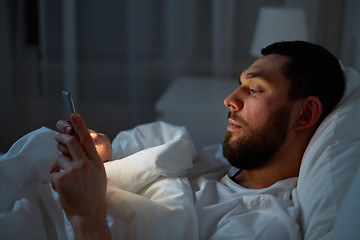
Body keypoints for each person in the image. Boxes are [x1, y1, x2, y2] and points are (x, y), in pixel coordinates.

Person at [50, 41, 345, 239]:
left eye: (255, 90)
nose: (230, 100)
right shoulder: (217, 159)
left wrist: (85, 217)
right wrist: (109, 154)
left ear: (305, 114)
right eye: (240, 85)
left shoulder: (263, 225)